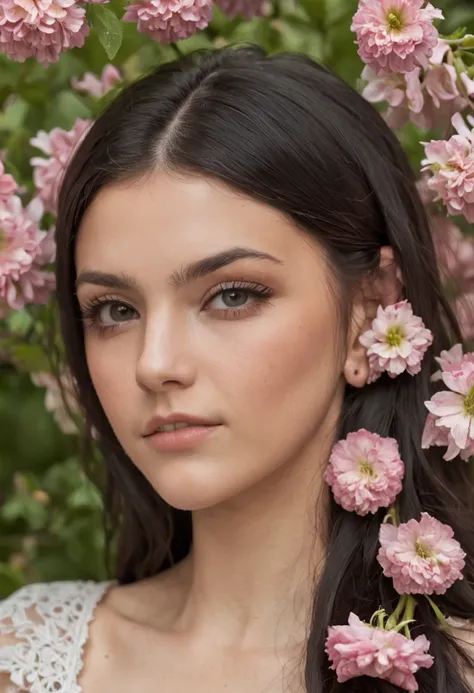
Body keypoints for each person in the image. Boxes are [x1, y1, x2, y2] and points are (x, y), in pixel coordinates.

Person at [1, 44, 474, 693]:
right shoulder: (20, 656)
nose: (156, 363)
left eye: (232, 295)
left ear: (372, 312)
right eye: (114, 309)